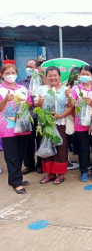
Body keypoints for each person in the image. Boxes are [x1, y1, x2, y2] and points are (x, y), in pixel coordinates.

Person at [67, 65, 92, 182]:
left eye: (87, 74)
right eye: (82, 74)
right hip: (81, 124)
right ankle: (83, 171)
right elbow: (71, 105)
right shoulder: (75, 89)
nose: (84, 76)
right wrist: (68, 97)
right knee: (83, 149)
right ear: (79, 76)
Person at [35, 67, 74, 185]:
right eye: (50, 76)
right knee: (47, 148)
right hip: (45, 124)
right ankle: (50, 174)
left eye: (55, 75)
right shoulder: (41, 89)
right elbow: (36, 106)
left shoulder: (65, 90)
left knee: (60, 148)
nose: (53, 78)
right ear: (46, 77)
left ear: (59, 76)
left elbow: (71, 106)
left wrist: (60, 115)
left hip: (59, 123)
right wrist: (39, 103)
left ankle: (60, 174)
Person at [0, 63, 32, 194]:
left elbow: (30, 104)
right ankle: (17, 183)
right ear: (2, 75)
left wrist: (25, 101)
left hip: (22, 125)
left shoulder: (22, 88)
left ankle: (14, 178)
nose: (10, 75)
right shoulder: (1, 89)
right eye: (7, 73)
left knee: (20, 155)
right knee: (11, 156)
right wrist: (5, 100)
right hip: (7, 127)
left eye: (13, 73)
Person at [17, 59, 45, 175]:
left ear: (37, 68)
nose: (28, 68)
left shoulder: (42, 82)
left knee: (40, 141)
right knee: (27, 143)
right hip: (26, 117)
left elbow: (47, 89)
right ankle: (29, 165)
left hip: (39, 116)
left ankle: (40, 164)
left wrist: (42, 75)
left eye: (31, 67)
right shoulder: (21, 82)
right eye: (27, 66)